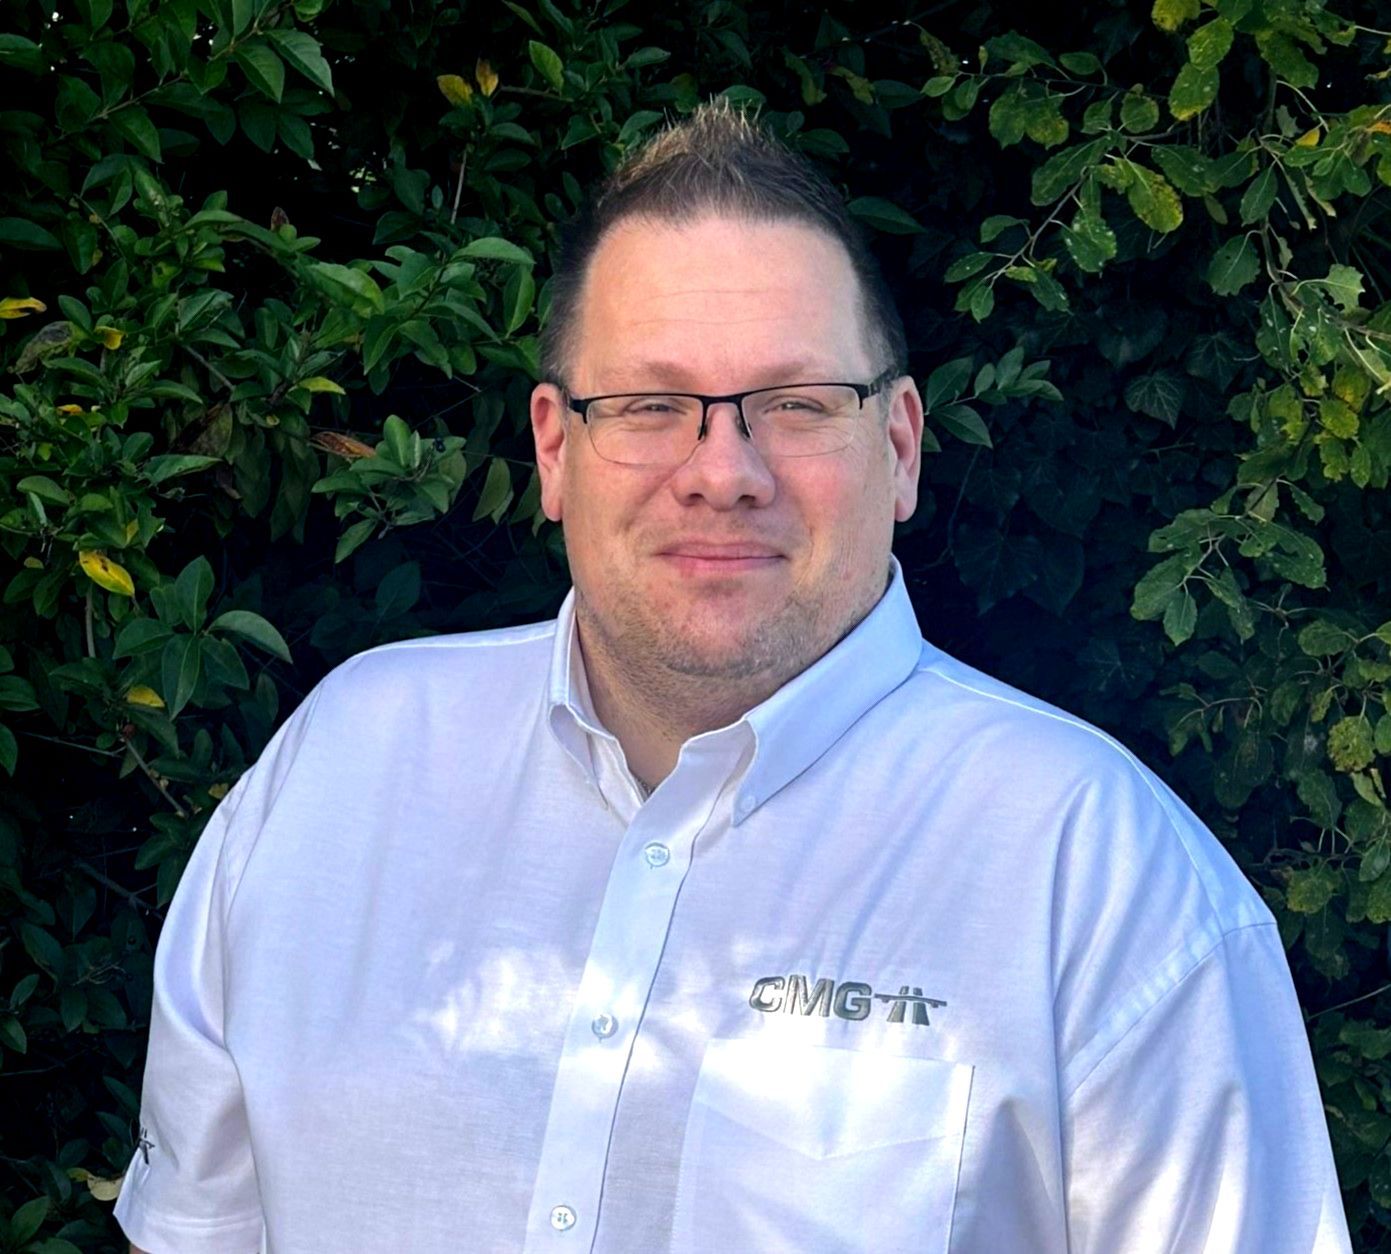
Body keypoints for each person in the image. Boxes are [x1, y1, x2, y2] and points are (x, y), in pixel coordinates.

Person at [115, 100, 1351, 1253]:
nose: (722, 471)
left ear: (901, 446)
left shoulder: (1094, 874)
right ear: (554, 450)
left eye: (797, 403)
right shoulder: (338, 775)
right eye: (652, 402)